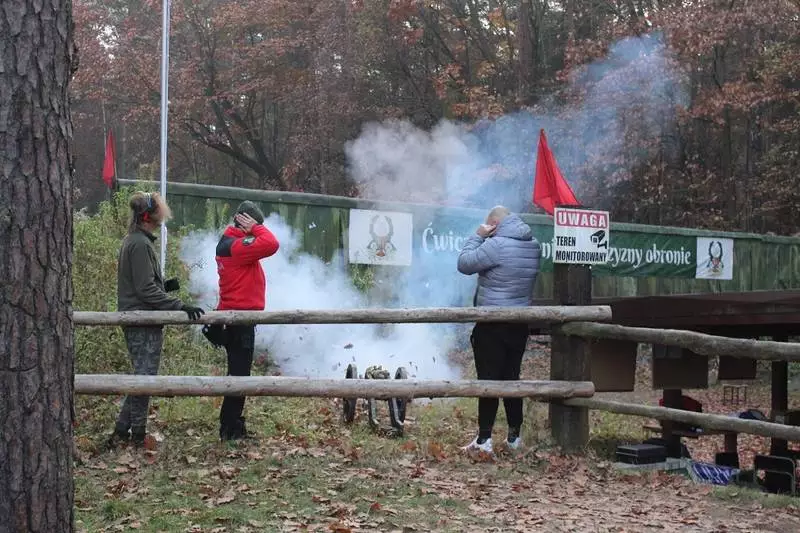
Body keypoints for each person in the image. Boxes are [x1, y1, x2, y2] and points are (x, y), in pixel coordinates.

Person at [109, 191, 206, 448]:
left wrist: (164, 284)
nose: (163, 217)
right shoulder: (139, 244)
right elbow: (144, 290)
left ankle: (122, 432)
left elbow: (146, 284)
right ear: (148, 217)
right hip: (142, 320)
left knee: (144, 377)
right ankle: (136, 435)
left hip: (142, 317)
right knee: (145, 379)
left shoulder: (137, 241)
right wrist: (179, 306)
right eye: (159, 213)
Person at [457, 205, 541, 454]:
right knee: (511, 379)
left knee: (489, 381)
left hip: (492, 322)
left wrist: (478, 235)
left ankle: (484, 440)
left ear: (493, 223)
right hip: (519, 323)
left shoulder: (496, 244)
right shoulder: (533, 245)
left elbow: (464, 263)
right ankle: (514, 437)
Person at [215, 201, 279, 441]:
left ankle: (232, 424)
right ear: (244, 222)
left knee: (238, 374)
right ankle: (230, 428)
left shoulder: (229, 244)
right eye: (253, 224)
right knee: (239, 377)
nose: (255, 229)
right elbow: (272, 244)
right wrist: (256, 229)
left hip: (236, 318)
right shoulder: (236, 246)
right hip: (239, 320)